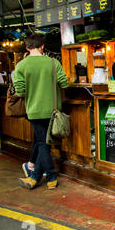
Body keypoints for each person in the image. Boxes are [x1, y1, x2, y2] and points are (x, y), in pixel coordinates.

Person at [13, 33, 69, 190]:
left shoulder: (21, 66)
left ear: (27, 47)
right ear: (42, 46)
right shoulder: (53, 63)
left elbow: (21, 91)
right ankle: (35, 178)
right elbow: (64, 84)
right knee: (44, 143)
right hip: (53, 111)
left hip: (34, 111)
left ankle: (51, 176)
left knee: (42, 144)